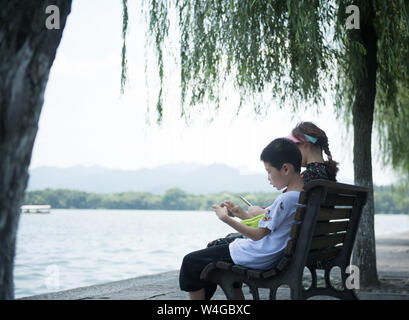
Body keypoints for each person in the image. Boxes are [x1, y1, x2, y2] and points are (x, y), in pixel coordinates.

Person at [179, 138, 304, 300]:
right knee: (207, 256)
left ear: (285, 169)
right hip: (269, 254)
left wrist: (226, 219)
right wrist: (241, 214)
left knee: (191, 262)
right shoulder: (300, 196)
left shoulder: (286, 200)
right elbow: (268, 226)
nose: (268, 177)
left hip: (259, 255)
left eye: (269, 171)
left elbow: (258, 234)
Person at [207, 121, 339, 234]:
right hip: (313, 245)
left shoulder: (308, 178)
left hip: (294, 250)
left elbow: (283, 215)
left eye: (293, 146)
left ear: (304, 143)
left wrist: (258, 211)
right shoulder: (325, 175)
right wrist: (244, 214)